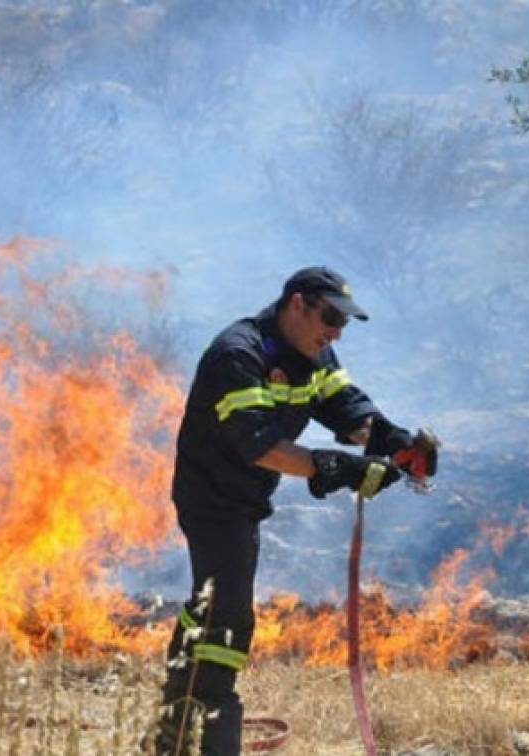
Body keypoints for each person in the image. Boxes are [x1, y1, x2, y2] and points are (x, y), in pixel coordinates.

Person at [153, 266, 438, 755]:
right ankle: (211, 726)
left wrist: (393, 442)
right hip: (211, 497)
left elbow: (347, 410)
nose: (335, 331)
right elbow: (261, 447)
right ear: (297, 304)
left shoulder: (315, 353)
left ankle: (173, 730)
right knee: (228, 613)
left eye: (343, 324)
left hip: (246, 499)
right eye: (329, 317)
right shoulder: (237, 355)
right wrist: (340, 469)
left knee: (213, 601)